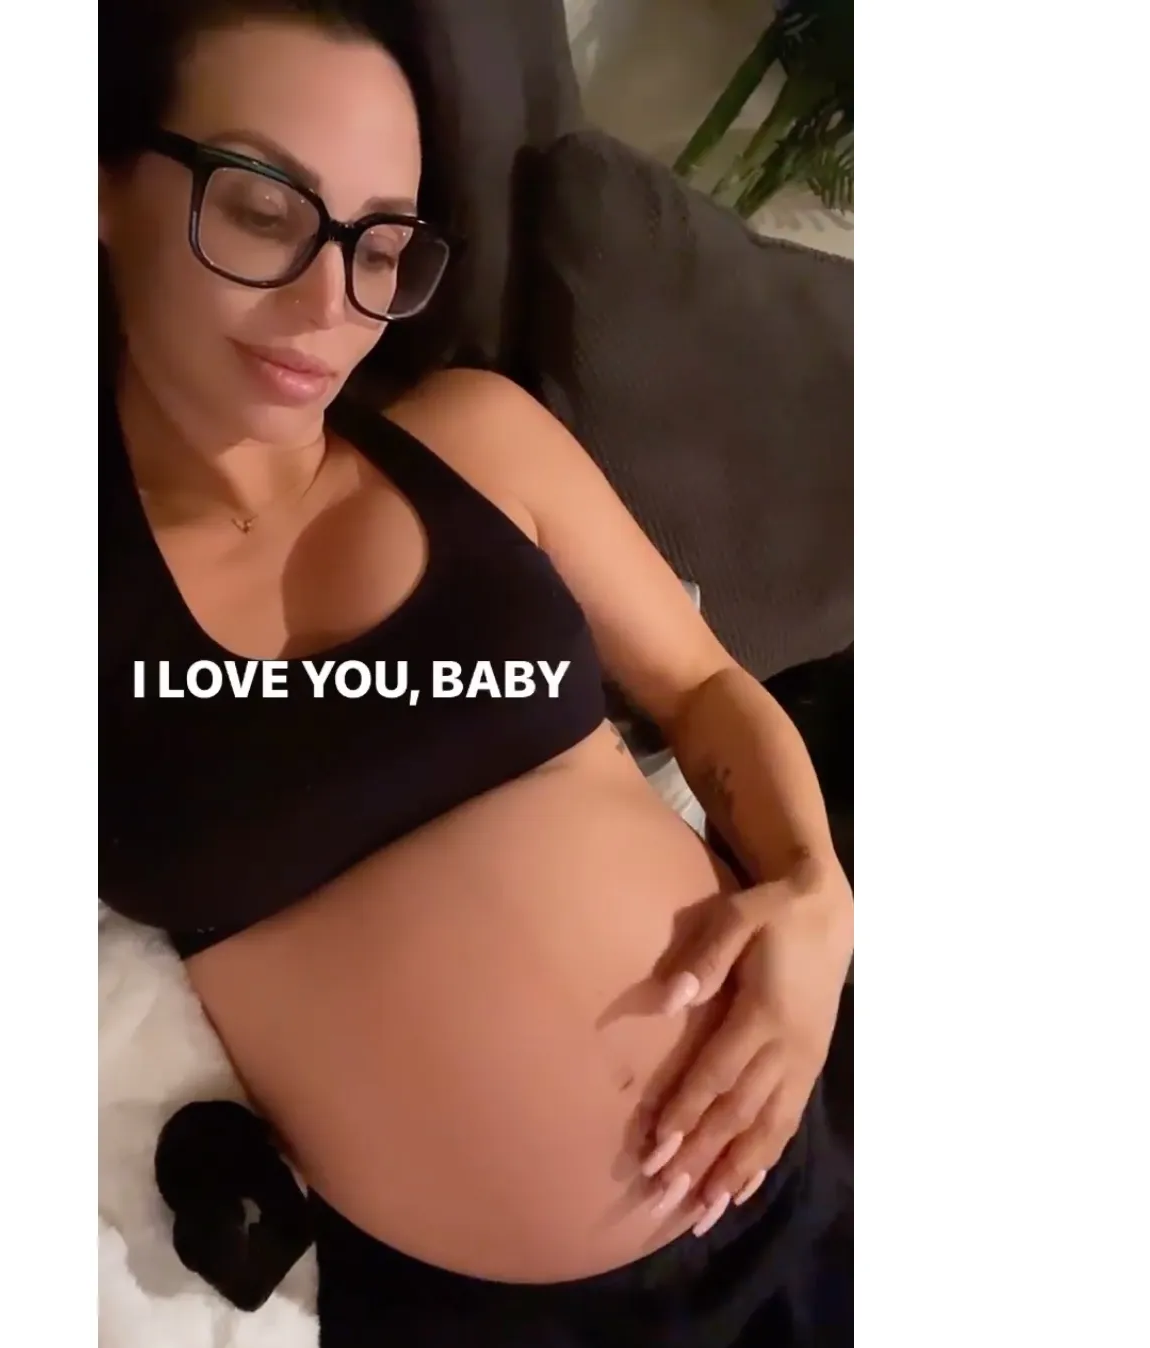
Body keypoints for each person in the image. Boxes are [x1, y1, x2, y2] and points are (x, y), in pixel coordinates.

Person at [99, 1, 854, 1343]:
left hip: (808, 1173)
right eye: (265, 210)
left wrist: (818, 900)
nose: (330, 305)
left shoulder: (477, 441)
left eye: (381, 243)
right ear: (100, 189)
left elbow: (705, 688)